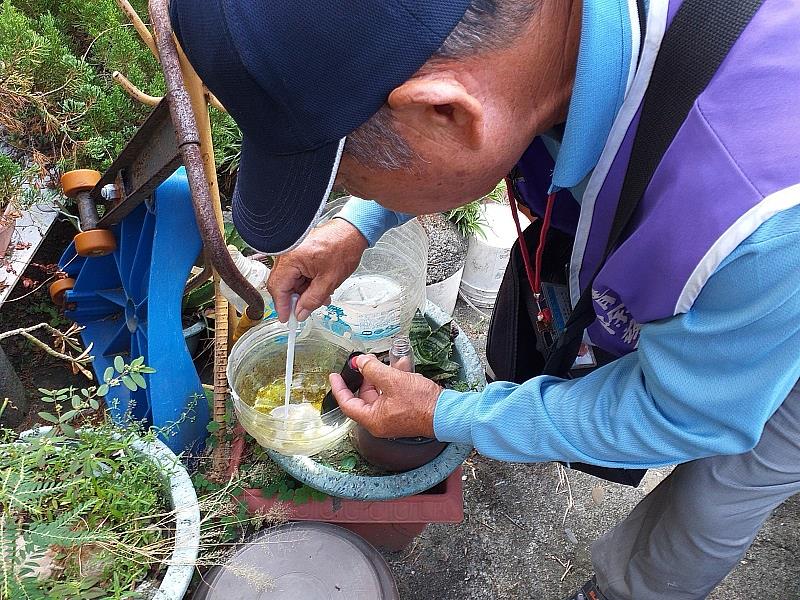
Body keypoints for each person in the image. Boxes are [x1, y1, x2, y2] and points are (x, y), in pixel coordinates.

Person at [170, 0, 800, 598]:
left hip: (777, 307)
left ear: (446, 113)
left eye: (343, 177)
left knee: (727, 481)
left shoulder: (758, 227)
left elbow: (683, 415)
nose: (344, 191)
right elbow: (492, 108)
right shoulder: (543, 43)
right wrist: (359, 222)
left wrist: (449, 415)